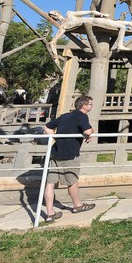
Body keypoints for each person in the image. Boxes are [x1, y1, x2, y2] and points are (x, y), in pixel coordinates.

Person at [42, 95, 96, 223]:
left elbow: (46, 127)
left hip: (55, 152)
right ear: (84, 106)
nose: (91, 106)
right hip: (70, 153)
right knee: (72, 180)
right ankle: (77, 205)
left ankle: (50, 213)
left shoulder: (65, 116)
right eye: (90, 104)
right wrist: (91, 131)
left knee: (50, 183)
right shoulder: (82, 116)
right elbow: (88, 131)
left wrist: (54, 137)